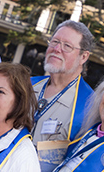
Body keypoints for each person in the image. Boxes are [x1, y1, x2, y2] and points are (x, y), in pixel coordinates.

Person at [31, 20, 95, 172]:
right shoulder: (27, 85)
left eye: (67, 46)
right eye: (54, 42)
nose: (57, 49)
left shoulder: (90, 106)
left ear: (84, 57)